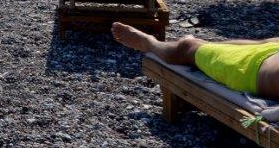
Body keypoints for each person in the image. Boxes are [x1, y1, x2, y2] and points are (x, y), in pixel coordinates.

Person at [112, 22, 279, 97]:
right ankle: (204, 46)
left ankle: (149, 43)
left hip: (250, 68)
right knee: (266, 42)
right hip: (268, 56)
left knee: (186, 49)